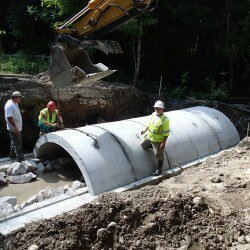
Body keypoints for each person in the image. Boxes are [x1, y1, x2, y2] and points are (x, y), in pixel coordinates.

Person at [141, 100, 170, 176]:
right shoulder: (153, 114)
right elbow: (150, 123)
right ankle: (155, 149)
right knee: (143, 145)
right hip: (150, 137)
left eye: (159, 108)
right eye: (156, 108)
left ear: (162, 109)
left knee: (159, 156)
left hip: (158, 140)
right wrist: (144, 130)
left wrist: (163, 143)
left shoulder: (165, 120)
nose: (157, 110)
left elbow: (166, 133)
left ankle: (159, 170)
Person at [4, 91, 24, 162]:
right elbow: (9, 117)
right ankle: (20, 159)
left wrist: (20, 111)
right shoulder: (9, 105)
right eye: (19, 98)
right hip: (14, 128)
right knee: (18, 143)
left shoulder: (14, 103)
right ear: (16, 97)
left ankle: (12, 155)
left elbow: (14, 112)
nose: (20, 99)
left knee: (14, 142)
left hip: (17, 127)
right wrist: (15, 127)